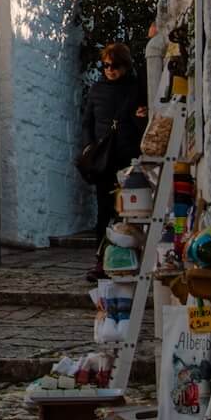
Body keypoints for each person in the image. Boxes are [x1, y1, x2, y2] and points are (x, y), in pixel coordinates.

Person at [80, 41, 147, 276]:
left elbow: (142, 123)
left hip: (128, 157)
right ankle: (102, 260)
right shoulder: (97, 90)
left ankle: (129, 258)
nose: (110, 70)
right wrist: (90, 146)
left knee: (130, 210)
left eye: (115, 65)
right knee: (104, 210)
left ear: (126, 65)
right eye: (106, 65)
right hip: (104, 160)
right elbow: (87, 121)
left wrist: (141, 118)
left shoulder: (136, 89)